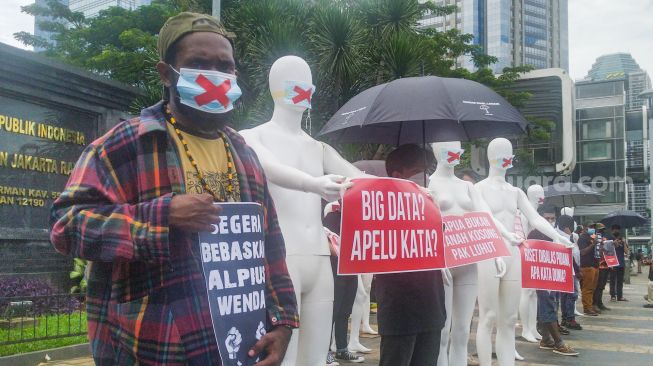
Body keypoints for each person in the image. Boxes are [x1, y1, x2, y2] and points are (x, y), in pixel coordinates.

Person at [49, 13, 298, 365]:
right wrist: (162, 215)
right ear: (166, 73)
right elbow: (65, 227)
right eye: (198, 63)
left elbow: (270, 247)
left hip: (240, 347)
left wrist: (283, 323)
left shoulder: (245, 155)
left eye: (225, 67)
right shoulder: (123, 146)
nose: (216, 75)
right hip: (153, 349)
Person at [376, 144, 446, 366]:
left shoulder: (431, 207)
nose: (425, 177)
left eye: (428, 171)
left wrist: (435, 210)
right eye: (418, 171)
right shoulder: (378, 211)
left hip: (432, 308)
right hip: (399, 312)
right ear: (398, 175)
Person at [529, 208, 579, 356]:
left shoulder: (556, 235)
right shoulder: (533, 234)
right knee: (548, 306)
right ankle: (559, 343)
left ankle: (546, 339)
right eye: (547, 218)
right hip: (541, 276)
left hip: (555, 276)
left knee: (551, 305)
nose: (550, 221)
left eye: (552, 218)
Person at [323, 202, 364, 365]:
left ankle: (342, 349)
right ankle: (324, 351)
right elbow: (324, 239)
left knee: (345, 311)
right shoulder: (332, 216)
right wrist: (337, 251)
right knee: (333, 311)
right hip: (335, 270)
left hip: (351, 269)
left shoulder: (357, 217)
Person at [557, 215, 582, 331]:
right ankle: (569, 319)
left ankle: (566, 318)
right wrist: (577, 270)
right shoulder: (562, 238)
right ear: (567, 226)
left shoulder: (568, 237)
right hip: (567, 271)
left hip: (569, 270)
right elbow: (569, 256)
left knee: (567, 296)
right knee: (571, 295)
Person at [578, 223, 600, 316]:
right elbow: (582, 252)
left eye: (594, 228)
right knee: (587, 288)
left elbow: (598, 250)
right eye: (591, 227)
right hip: (587, 266)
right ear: (585, 227)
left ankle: (591, 306)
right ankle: (587, 308)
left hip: (595, 265)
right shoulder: (582, 238)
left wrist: (599, 244)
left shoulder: (593, 237)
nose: (593, 229)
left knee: (592, 288)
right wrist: (593, 244)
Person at [607, 224, 629, 301]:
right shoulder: (609, 239)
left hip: (621, 263)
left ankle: (620, 296)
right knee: (612, 280)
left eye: (618, 229)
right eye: (615, 229)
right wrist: (613, 243)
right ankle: (613, 296)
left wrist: (624, 243)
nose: (616, 231)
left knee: (620, 281)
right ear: (612, 231)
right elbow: (607, 251)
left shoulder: (622, 239)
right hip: (613, 263)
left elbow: (627, 252)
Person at [593, 223, 612, 312]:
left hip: (605, 265)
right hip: (598, 265)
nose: (601, 232)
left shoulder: (605, 239)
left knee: (602, 286)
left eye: (602, 230)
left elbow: (609, 250)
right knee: (597, 286)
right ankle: (595, 304)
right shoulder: (593, 237)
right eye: (600, 230)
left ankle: (599, 303)